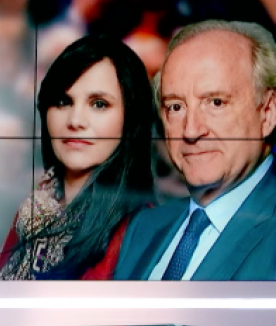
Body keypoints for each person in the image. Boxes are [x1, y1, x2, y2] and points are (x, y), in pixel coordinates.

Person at [114, 20, 276, 281]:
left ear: (267, 112)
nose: (191, 131)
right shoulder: (142, 229)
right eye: (175, 107)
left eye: (216, 102)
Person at [0, 34, 156, 281]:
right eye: (62, 101)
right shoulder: (32, 210)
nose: (75, 121)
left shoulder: (142, 230)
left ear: (131, 117)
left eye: (99, 104)